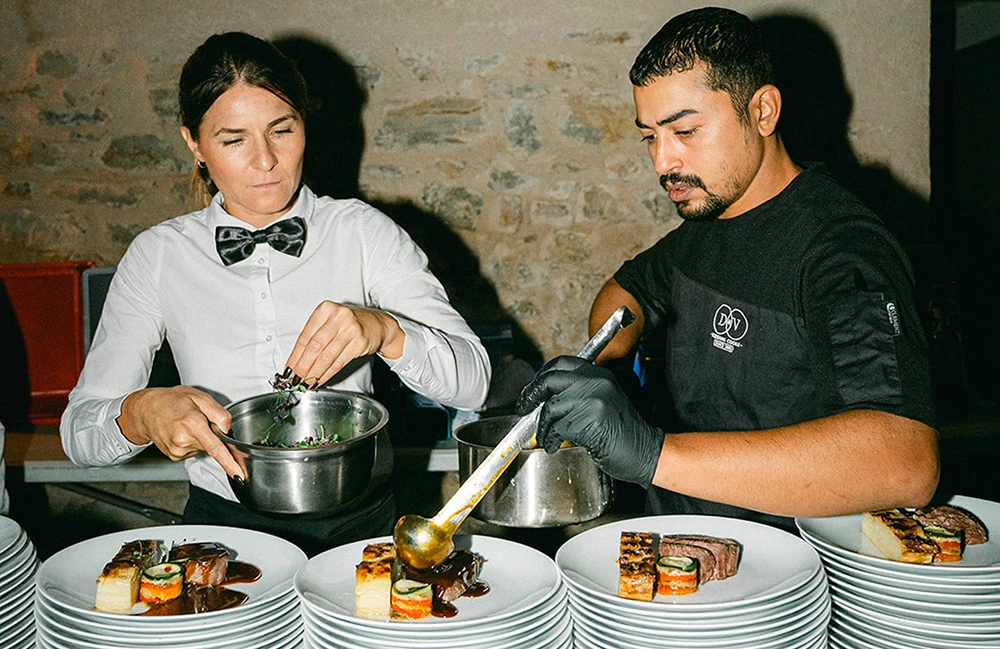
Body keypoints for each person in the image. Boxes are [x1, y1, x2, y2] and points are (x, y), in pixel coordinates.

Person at [61, 32, 490, 552]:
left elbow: (474, 384)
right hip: (222, 533)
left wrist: (385, 331)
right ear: (194, 143)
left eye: (281, 130)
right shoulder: (158, 256)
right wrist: (140, 413)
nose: (265, 160)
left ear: (305, 123)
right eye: (233, 139)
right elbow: (79, 434)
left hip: (362, 529)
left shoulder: (363, 233)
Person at [517, 7, 939, 532]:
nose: (663, 162)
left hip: (783, 579)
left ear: (762, 111)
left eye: (686, 130)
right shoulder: (712, 219)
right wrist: (610, 371)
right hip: (677, 551)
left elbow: (905, 461)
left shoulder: (842, 249)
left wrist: (650, 452)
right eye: (649, 136)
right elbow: (625, 293)